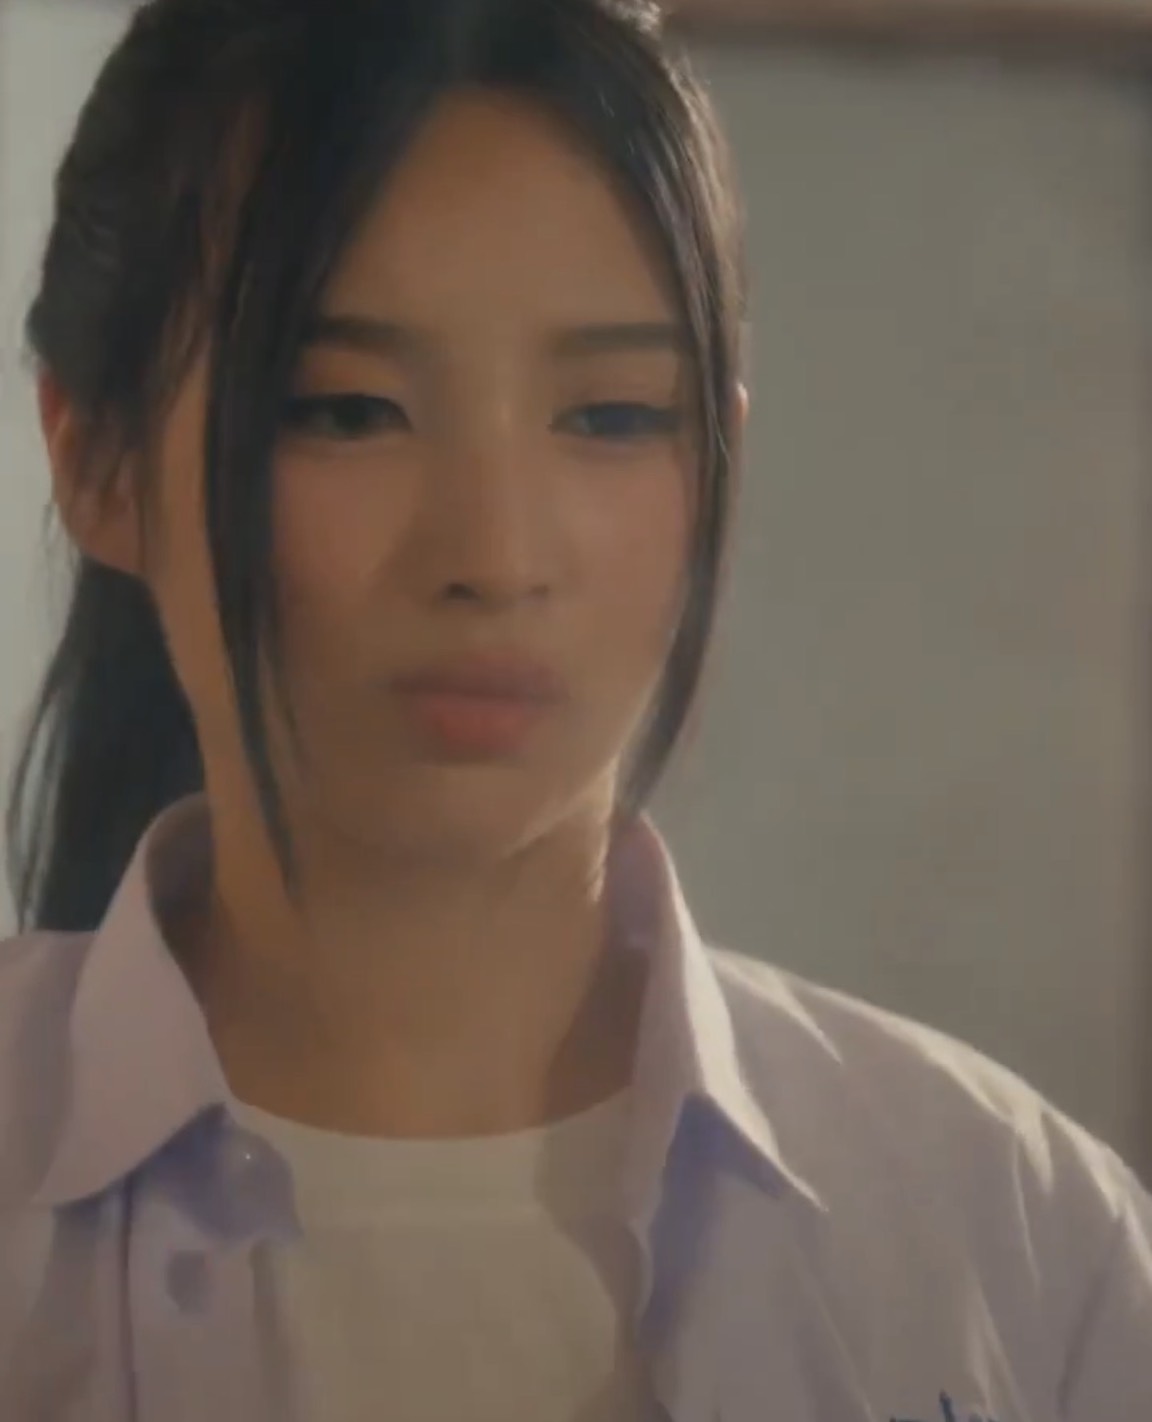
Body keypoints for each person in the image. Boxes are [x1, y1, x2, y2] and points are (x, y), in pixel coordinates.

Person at [0, 0, 1149, 1417]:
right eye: (348, 409)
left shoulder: (1014, 1245)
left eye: (611, 417)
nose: (495, 555)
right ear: (98, 461)